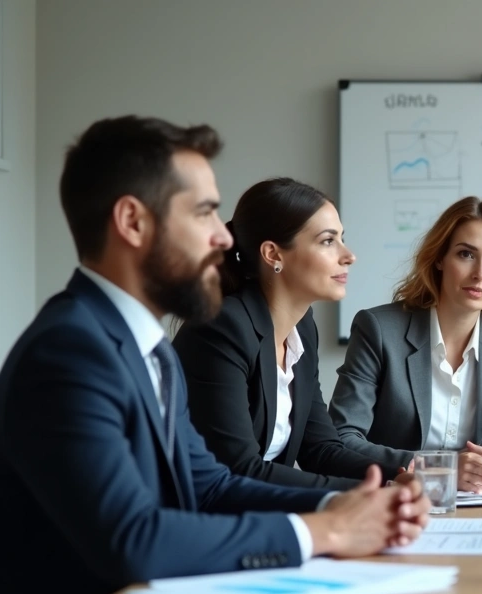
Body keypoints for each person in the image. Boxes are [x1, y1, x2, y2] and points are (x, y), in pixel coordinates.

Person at [0, 116, 430, 594]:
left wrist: (344, 503)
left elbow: (211, 485)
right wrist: (326, 529)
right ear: (133, 222)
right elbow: (133, 539)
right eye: (204, 212)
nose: (224, 237)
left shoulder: (147, 348)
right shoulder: (70, 352)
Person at [173, 178, 411, 490]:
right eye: (328, 241)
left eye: (341, 239)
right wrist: (375, 491)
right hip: (203, 522)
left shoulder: (301, 329)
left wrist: (408, 473)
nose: (348, 255)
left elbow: (320, 450)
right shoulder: (222, 327)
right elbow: (239, 469)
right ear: (273, 254)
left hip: (261, 515)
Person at [329, 196, 482, 493]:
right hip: (395, 499)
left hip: (478, 504)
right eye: (466, 254)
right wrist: (439, 468)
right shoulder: (378, 329)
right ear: (440, 258)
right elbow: (342, 437)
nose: (481, 273)